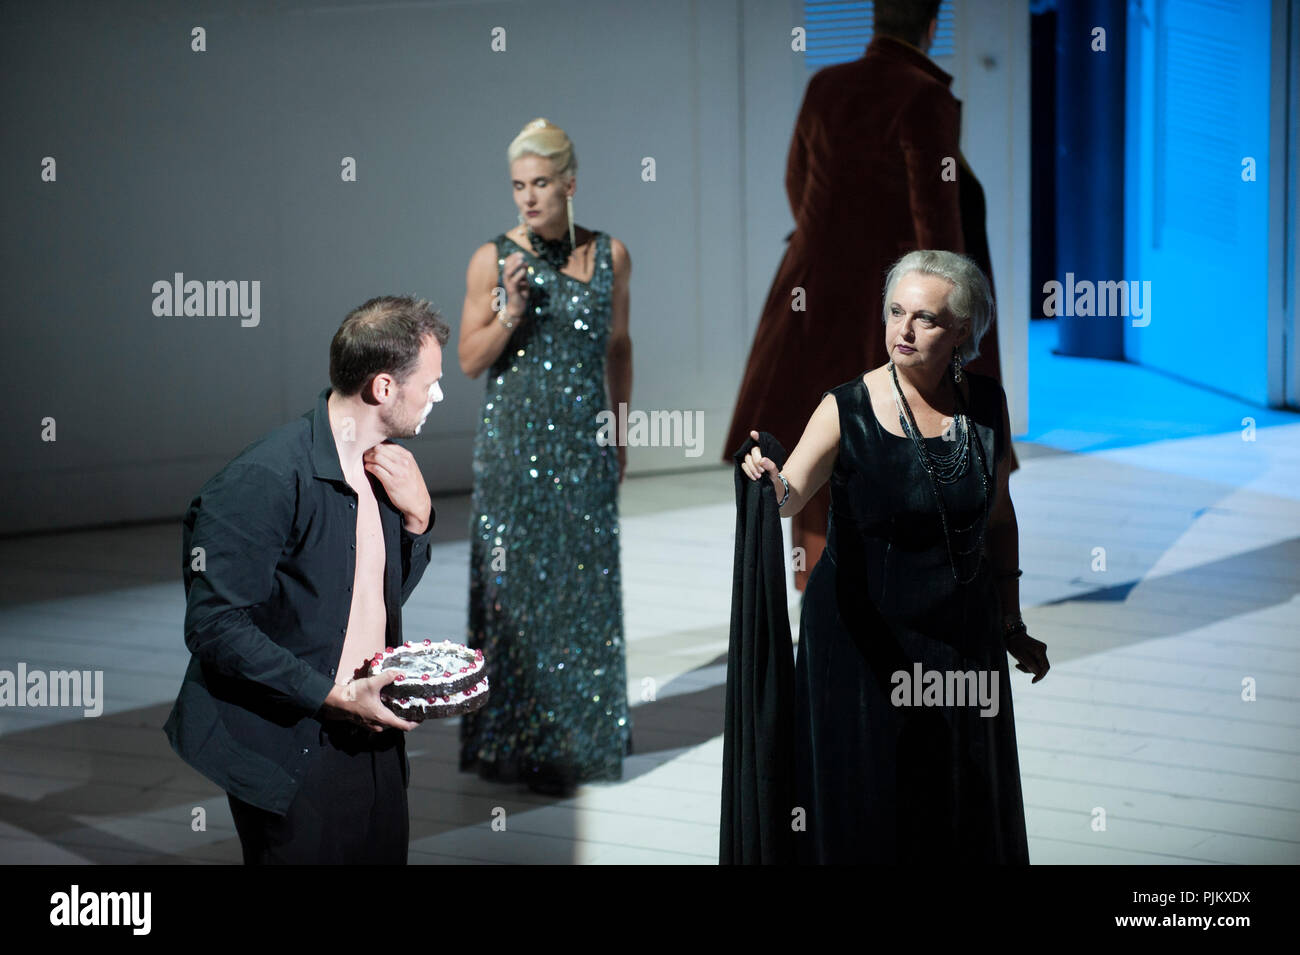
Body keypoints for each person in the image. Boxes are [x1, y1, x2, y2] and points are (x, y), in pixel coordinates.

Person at [740, 251, 1048, 863]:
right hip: (861, 641)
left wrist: (1010, 625)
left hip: (958, 636)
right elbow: (791, 491)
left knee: (953, 806)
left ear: (962, 330)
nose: (903, 331)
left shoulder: (986, 404)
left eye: (925, 319)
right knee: (871, 803)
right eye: (895, 312)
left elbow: (999, 519)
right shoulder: (845, 407)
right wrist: (769, 476)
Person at [725, 0, 1013, 592]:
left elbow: (795, 180)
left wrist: (827, 244)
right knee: (898, 440)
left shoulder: (825, 85)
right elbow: (937, 224)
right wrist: (948, 311)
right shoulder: (924, 97)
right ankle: (896, 590)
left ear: (875, 19)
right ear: (932, 26)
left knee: (821, 441)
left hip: (813, 290)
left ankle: (821, 597)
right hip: (888, 301)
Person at [164, 296, 449, 864]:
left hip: (371, 730)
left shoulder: (383, 468)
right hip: (291, 739)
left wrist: (418, 523)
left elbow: (364, 599)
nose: (438, 395)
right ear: (384, 388)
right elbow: (215, 627)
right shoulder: (262, 479)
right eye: (432, 382)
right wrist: (335, 696)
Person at [457, 117, 633, 794]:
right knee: (519, 596)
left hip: (584, 450)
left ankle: (580, 737)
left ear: (570, 183)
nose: (527, 198)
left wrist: (619, 432)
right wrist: (508, 310)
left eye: (539, 184)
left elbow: (619, 347)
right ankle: (520, 742)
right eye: (517, 187)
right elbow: (469, 362)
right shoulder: (491, 259)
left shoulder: (613, 254)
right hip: (513, 450)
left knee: (582, 593)